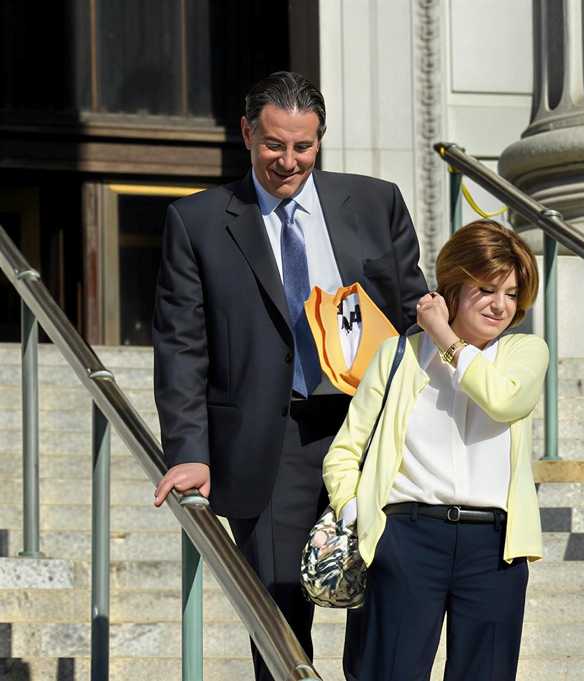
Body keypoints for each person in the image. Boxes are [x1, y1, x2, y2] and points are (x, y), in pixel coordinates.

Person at [150, 71, 428, 681]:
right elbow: (181, 348)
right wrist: (190, 451)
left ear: (320, 140)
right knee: (279, 615)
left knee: (389, 602)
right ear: (248, 133)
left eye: (303, 147)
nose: (288, 161)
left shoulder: (376, 203)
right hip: (270, 442)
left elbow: (416, 316)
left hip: (372, 431)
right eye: (274, 144)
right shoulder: (197, 223)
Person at [323, 219, 547, 681]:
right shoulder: (398, 355)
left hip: (494, 547)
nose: (500, 305)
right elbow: (345, 451)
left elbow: (503, 400)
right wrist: (359, 516)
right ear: (453, 286)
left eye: (510, 293)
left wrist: (446, 337)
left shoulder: (525, 353)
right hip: (407, 536)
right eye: (485, 289)